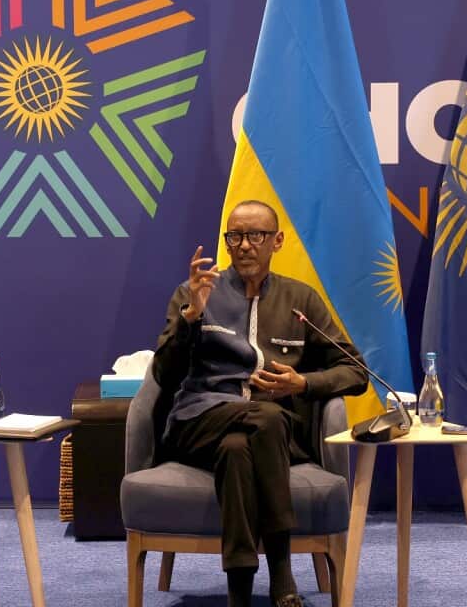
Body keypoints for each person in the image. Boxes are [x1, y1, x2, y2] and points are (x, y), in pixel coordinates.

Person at [154, 200, 368, 607]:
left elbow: (356, 371)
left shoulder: (299, 300)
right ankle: (282, 572)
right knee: (266, 416)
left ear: (278, 241)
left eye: (256, 236)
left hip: (272, 437)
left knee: (241, 446)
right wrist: (192, 317)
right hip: (198, 422)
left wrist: (303, 382)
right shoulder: (195, 293)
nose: (245, 246)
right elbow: (164, 375)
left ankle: (239, 591)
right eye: (235, 237)